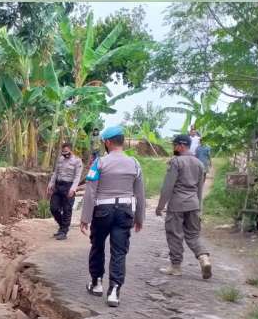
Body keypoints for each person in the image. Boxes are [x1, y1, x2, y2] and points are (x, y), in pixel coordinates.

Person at [80, 125, 146, 307]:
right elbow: (140, 193)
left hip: (103, 211)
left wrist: (85, 217)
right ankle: (114, 291)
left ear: (108, 142)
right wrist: (139, 218)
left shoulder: (99, 163)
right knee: (119, 251)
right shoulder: (134, 163)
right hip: (124, 212)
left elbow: (90, 191)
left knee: (98, 246)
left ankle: (97, 283)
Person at [156, 134, 212, 279]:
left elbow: (168, 187)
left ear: (181, 146)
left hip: (177, 205)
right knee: (193, 235)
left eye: (174, 145)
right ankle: (204, 257)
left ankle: (176, 267)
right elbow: (200, 189)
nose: (173, 147)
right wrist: (199, 208)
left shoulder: (176, 162)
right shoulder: (199, 164)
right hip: (193, 204)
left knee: (175, 235)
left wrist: (160, 206)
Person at [47, 142, 83, 240]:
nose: (64, 153)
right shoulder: (60, 159)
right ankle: (62, 226)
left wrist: (73, 189)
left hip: (69, 186)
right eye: (63, 152)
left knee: (67, 209)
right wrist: (50, 184)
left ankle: (63, 231)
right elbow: (55, 173)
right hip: (58, 186)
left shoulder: (77, 161)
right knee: (53, 208)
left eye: (66, 151)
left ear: (71, 150)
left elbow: (77, 176)